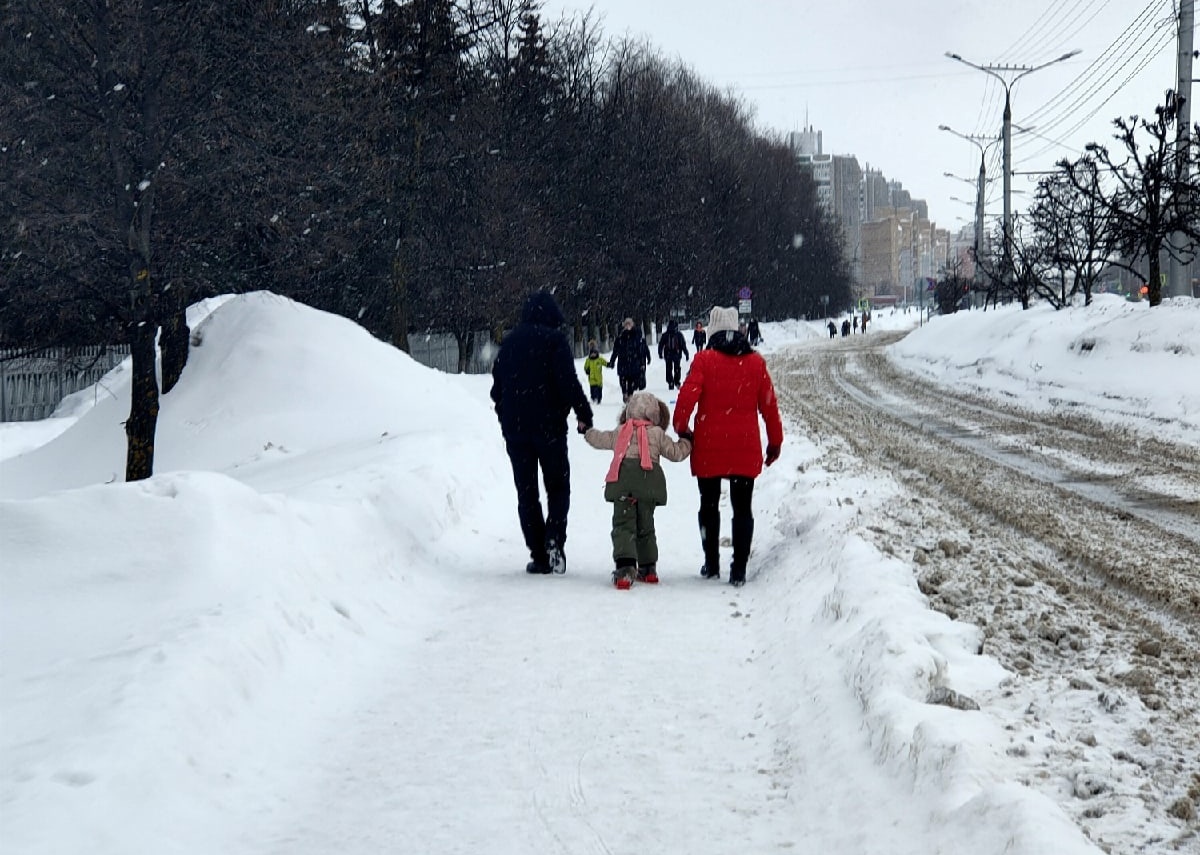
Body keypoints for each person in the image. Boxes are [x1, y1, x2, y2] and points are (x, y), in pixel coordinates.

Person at [673, 306, 783, 587]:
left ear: (712, 332)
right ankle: (739, 569)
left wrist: (682, 428)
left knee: (708, 504)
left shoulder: (704, 361)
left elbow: (686, 398)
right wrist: (774, 442)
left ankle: (711, 564)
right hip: (744, 447)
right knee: (742, 508)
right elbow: (770, 407)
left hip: (709, 446)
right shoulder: (755, 363)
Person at [490, 291, 593, 576]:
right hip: (550, 429)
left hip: (517, 432)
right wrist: (584, 414)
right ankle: (554, 539)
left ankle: (538, 554)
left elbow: (497, 391)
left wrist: (507, 418)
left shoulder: (508, 344)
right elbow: (568, 383)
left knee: (527, 494)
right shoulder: (554, 341)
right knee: (558, 487)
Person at [585, 391, 692, 589]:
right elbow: (676, 453)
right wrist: (688, 441)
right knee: (646, 526)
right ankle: (648, 568)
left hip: (624, 482)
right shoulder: (658, 434)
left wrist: (587, 431)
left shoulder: (621, 431)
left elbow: (600, 439)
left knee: (624, 525)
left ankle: (625, 569)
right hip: (648, 483)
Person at [610, 317, 651, 402]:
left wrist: (643, 362)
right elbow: (615, 351)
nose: (628, 326)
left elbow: (641, 350)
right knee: (623, 380)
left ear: (632, 325)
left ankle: (630, 395)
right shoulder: (620, 338)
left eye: (629, 324)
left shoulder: (636, 337)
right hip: (623, 362)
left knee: (632, 381)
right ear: (624, 326)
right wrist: (612, 361)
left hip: (633, 363)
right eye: (626, 324)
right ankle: (624, 393)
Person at [657, 319, 690, 390]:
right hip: (677, 354)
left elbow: (661, 344)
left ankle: (670, 382)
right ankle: (677, 381)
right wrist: (686, 353)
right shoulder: (679, 334)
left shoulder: (665, 334)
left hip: (668, 354)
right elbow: (683, 345)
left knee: (668, 368)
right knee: (677, 368)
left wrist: (660, 353)